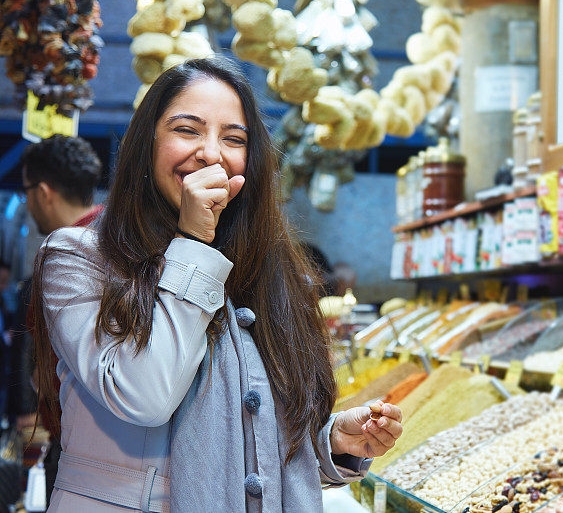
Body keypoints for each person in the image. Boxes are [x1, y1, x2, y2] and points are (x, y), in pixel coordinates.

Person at [29, 57, 403, 512]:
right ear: (146, 144)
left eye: (234, 139)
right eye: (187, 130)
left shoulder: (261, 267)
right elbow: (144, 397)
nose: (211, 153)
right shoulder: (78, 256)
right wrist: (191, 242)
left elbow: (248, 449)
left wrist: (332, 443)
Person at [11, 135, 103, 506]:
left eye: (28, 191)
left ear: (44, 192)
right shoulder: (122, 245)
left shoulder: (57, 262)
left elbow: (34, 358)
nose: (28, 202)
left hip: (72, 446)